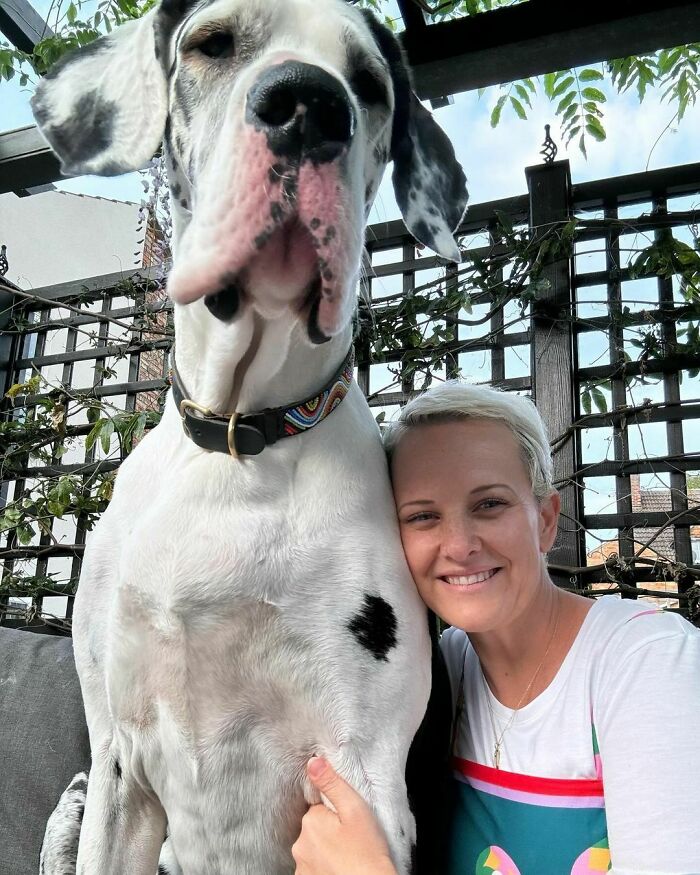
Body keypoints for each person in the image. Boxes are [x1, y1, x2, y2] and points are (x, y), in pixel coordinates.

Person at [291, 381, 700, 875]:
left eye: (489, 505)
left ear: (546, 519)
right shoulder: (441, 671)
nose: (459, 545)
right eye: (422, 517)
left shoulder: (643, 660)